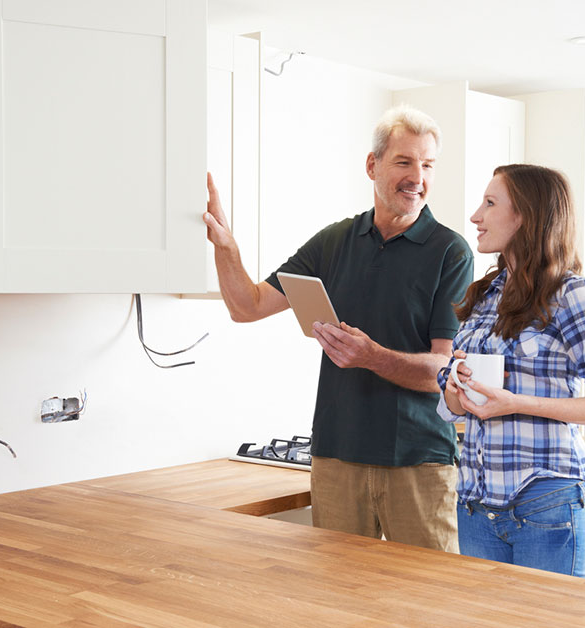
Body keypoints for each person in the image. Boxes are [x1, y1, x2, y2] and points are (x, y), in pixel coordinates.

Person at [203, 105, 474, 552]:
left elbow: (443, 371)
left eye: (427, 165)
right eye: (404, 161)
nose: (418, 177)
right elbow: (245, 307)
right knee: (337, 601)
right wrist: (226, 246)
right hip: (336, 457)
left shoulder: (450, 251)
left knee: (428, 605)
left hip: (418, 461)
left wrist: (372, 356)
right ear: (373, 165)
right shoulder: (334, 241)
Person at [436, 164, 585, 578]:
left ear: (525, 215)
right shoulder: (484, 296)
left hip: (546, 503)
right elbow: (454, 394)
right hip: (476, 505)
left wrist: (514, 403)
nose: (476, 215)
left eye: (490, 203)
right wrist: (455, 388)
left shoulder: (572, 295)